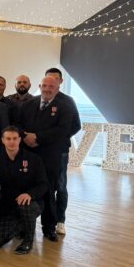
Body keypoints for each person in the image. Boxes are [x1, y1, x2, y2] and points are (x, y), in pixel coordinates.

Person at [18, 76, 74, 242]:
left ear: (58, 88)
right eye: (44, 85)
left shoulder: (65, 107)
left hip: (50, 157)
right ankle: (24, 227)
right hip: (28, 155)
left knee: (49, 192)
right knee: (26, 190)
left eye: (51, 86)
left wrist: (37, 137)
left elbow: (63, 130)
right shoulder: (28, 104)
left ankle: (49, 228)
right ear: (39, 86)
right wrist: (25, 136)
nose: (47, 89)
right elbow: (18, 124)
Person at [0, 127, 48, 255]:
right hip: (8, 206)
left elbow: (44, 184)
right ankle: (24, 224)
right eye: (8, 138)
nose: (12, 142)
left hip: (32, 203)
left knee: (25, 205)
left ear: (20, 140)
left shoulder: (33, 159)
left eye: (15, 138)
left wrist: (30, 194)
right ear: (3, 140)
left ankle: (28, 241)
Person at [44, 68, 81, 236]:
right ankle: (47, 220)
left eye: (55, 79)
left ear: (60, 82)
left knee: (60, 185)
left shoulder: (68, 101)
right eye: (48, 79)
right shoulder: (40, 101)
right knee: (46, 185)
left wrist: (59, 138)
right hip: (42, 150)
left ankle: (60, 220)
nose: (51, 82)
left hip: (60, 152)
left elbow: (76, 125)